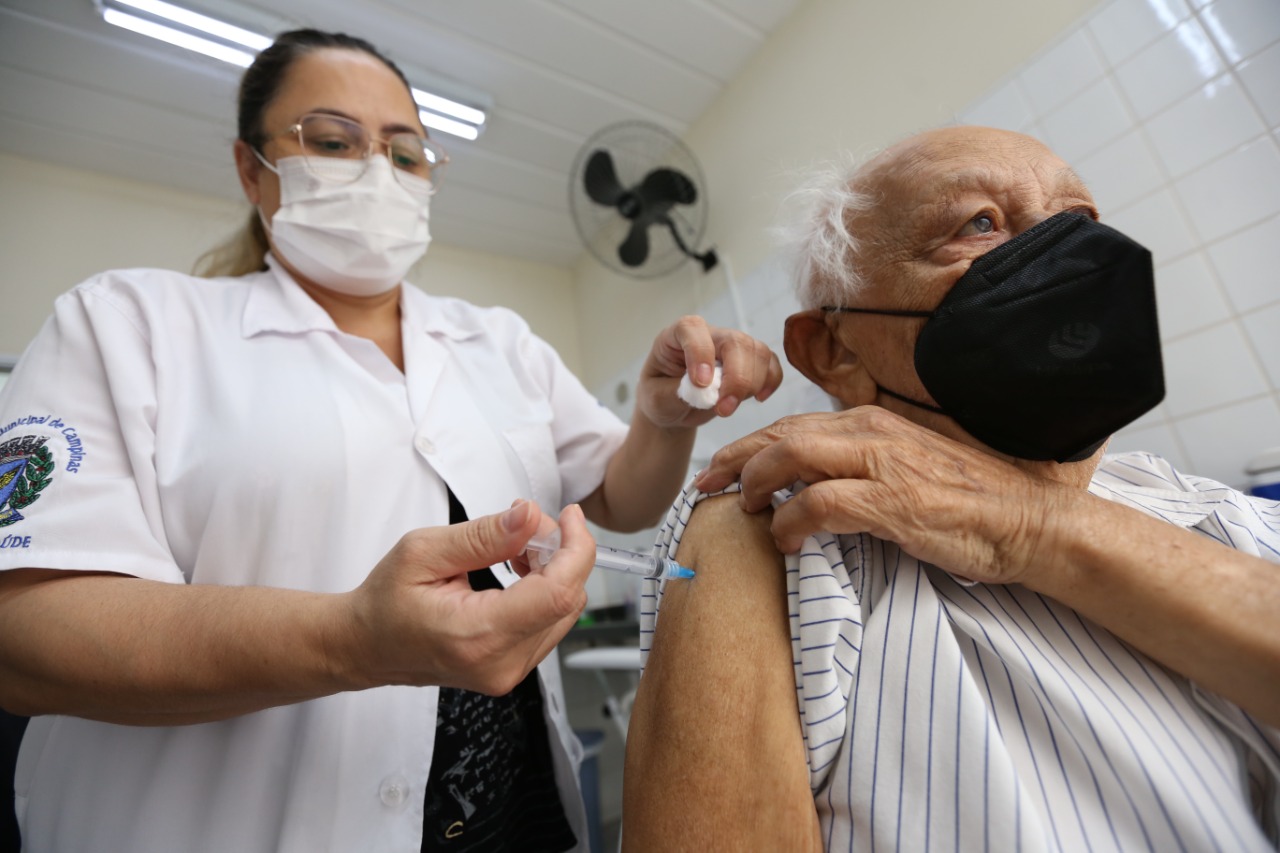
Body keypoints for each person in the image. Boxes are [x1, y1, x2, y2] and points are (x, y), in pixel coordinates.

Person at [0, 29, 783, 853]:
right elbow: (24, 633)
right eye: (334, 143)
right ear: (249, 168)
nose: (378, 171)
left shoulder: (499, 342)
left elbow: (622, 496)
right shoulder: (128, 325)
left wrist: (661, 420)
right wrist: (352, 640)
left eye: (406, 153)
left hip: (518, 823)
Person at [622, 125, 1280, 852]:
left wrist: (1036, 524)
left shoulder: (1202, 505)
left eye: (1079, 221)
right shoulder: (771, 523)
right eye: (978, 224)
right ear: (835, 349)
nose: (1067, 252)